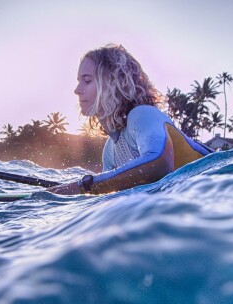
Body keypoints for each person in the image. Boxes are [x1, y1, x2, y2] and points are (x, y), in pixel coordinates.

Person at [47, 44, 213, 195]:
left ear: (114, 82)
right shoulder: (109, 150)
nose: (77, 90)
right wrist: (61, 194)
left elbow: (160, 164)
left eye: (87, 80)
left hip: (224, 184)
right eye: (78, 81)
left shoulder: (143, 115)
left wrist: (84, 186)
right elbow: (108, 192)